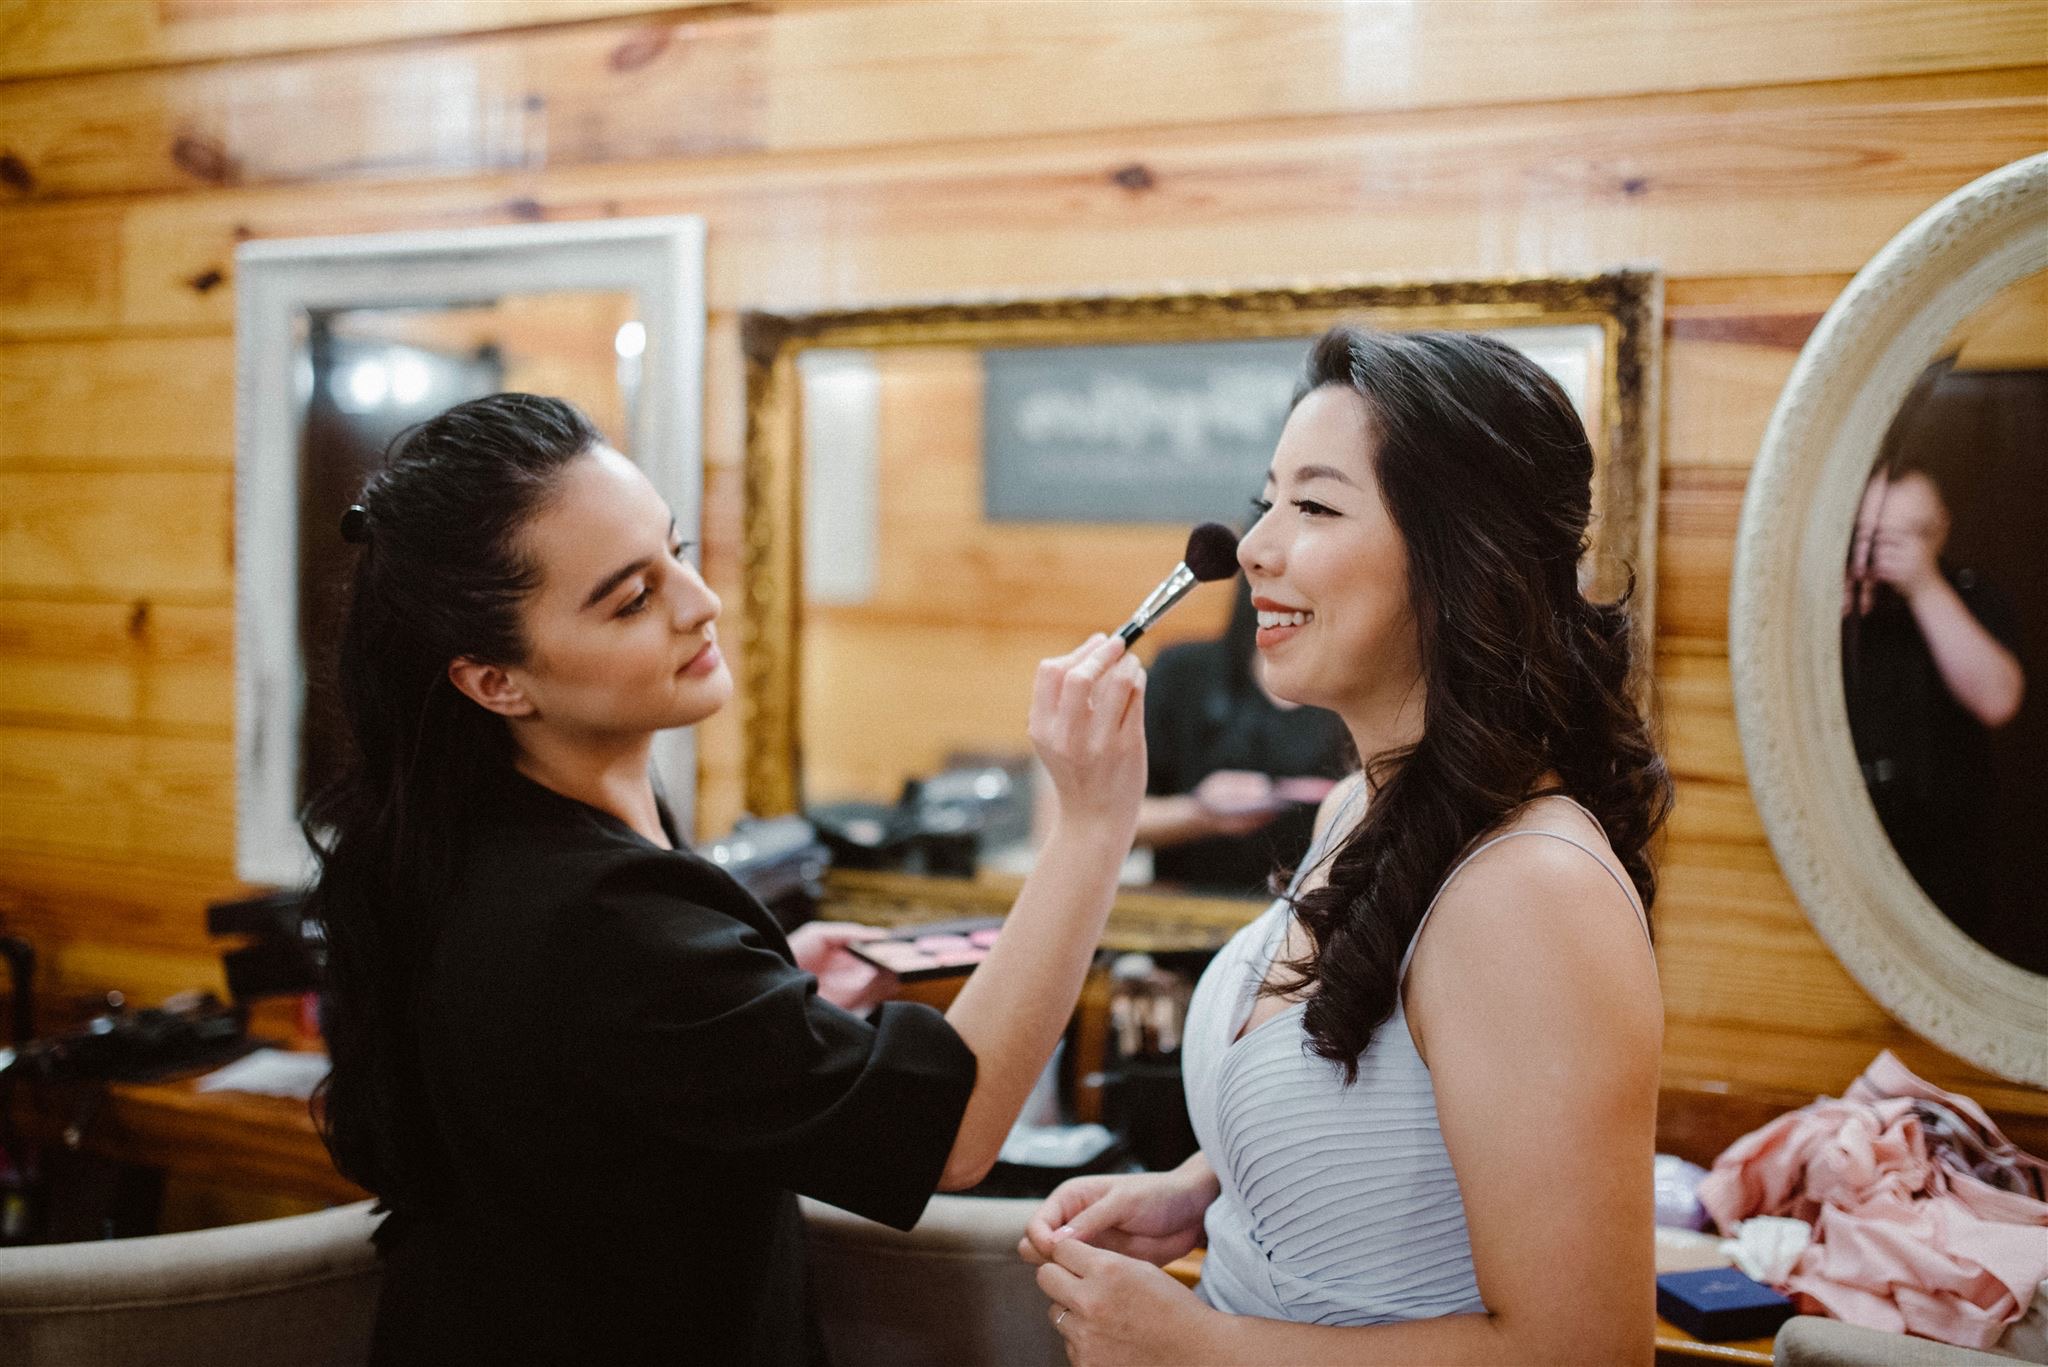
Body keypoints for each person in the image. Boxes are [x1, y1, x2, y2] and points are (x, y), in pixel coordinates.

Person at [304, 394, 1148, 1365]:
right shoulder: (594, 914)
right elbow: (947, 1133)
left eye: (678, 548)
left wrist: (753, 1003)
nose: (698, 601)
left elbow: (594, 1054)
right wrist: (1090, 825)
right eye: (630, 598)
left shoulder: (475, 843)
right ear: (496, 679)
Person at [1021, 327, 1672, 1365]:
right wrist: (1201, 1187)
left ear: (1460, 557)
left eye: (1314, 506)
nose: (1252, 547)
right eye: (1265, 498)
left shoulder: (1530, 890)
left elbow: (1581, 1349)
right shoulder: (1348, 810)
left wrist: (1204, 1347)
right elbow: (1389, 1124)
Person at [1843, 465, 2024, 921]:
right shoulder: (1833, 596)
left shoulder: (1972, 594)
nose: (1888, 553)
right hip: (1846, 841)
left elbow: (1998, 701)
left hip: (1948, 846)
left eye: (1908, 535)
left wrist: (1923, 584)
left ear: (1941, 527)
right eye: (1872, 536)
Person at [1133, 575, 1351, 897]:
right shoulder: (1183, 675)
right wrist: (1198, 812)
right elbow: (1106, 825)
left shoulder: (1363, 685)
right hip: (1192, 912)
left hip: (1321, 920)